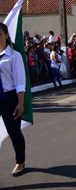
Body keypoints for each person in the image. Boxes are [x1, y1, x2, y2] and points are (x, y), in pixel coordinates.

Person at [0, 23, 27, 176]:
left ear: (6, 35)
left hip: (9, 98)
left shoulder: (14, 56)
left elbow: (20, 82)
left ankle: (20, 162)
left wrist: (20, 103)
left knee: (14, 132)